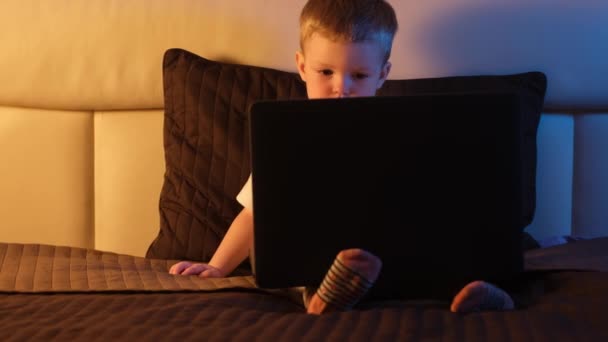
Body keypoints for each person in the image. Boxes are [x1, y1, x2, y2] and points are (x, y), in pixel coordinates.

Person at [169, 0, 515, 315]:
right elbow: (253, 215)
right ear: (302, 67)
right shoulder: (288, 140)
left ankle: (483, 294)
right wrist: (216, 267)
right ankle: (328, 298)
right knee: (301, 270)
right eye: (326, 72)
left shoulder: (409, 133)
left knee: (440, 252)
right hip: (323, 264)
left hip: (402, 260)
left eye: (359, 75)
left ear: (382, 74)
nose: (341, 87)